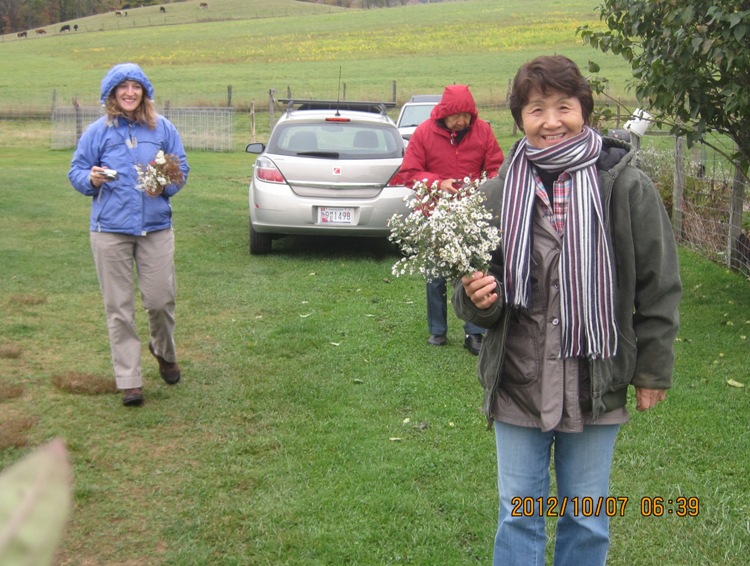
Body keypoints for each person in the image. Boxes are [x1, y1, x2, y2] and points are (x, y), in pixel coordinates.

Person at [451, 55, 681, 565]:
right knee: (519, 514)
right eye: (536, 109)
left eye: (564, 106)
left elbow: (659, 286)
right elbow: (468, 294)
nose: (551, 121)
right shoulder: (495, 195)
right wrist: (477, 298)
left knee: (586, 515)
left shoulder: (625, 187)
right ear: (520, 119)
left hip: (593, 382)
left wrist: (652, 373)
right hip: (517, 379)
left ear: (585, 111)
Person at [68, 63, 189, 407]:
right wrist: (90, 179)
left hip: (156, 228)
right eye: (123, 87)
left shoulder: (163, 128)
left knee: (160, 300)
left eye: (136, 87)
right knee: (118, 307)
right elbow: (76, 170)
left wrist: (164, 183)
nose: (130, 93)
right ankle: (129, 379)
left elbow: (182, 167)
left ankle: (164, 351)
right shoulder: (98, 131)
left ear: (145, 92)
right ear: (112, 93)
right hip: (110, 231)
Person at [398, 84, 504, 355]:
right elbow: (409, 172)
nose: (462, 121)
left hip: (471, 215)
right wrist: (438, 183)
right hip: (435, 214)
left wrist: (483, 192)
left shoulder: (483, 131)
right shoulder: (423, 133)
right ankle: (437, 331)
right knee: (435, 275)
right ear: (444, 114)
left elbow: (496, 168)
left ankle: (475, 333)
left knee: (474, 272)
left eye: (466, 115)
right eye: (456, 115)